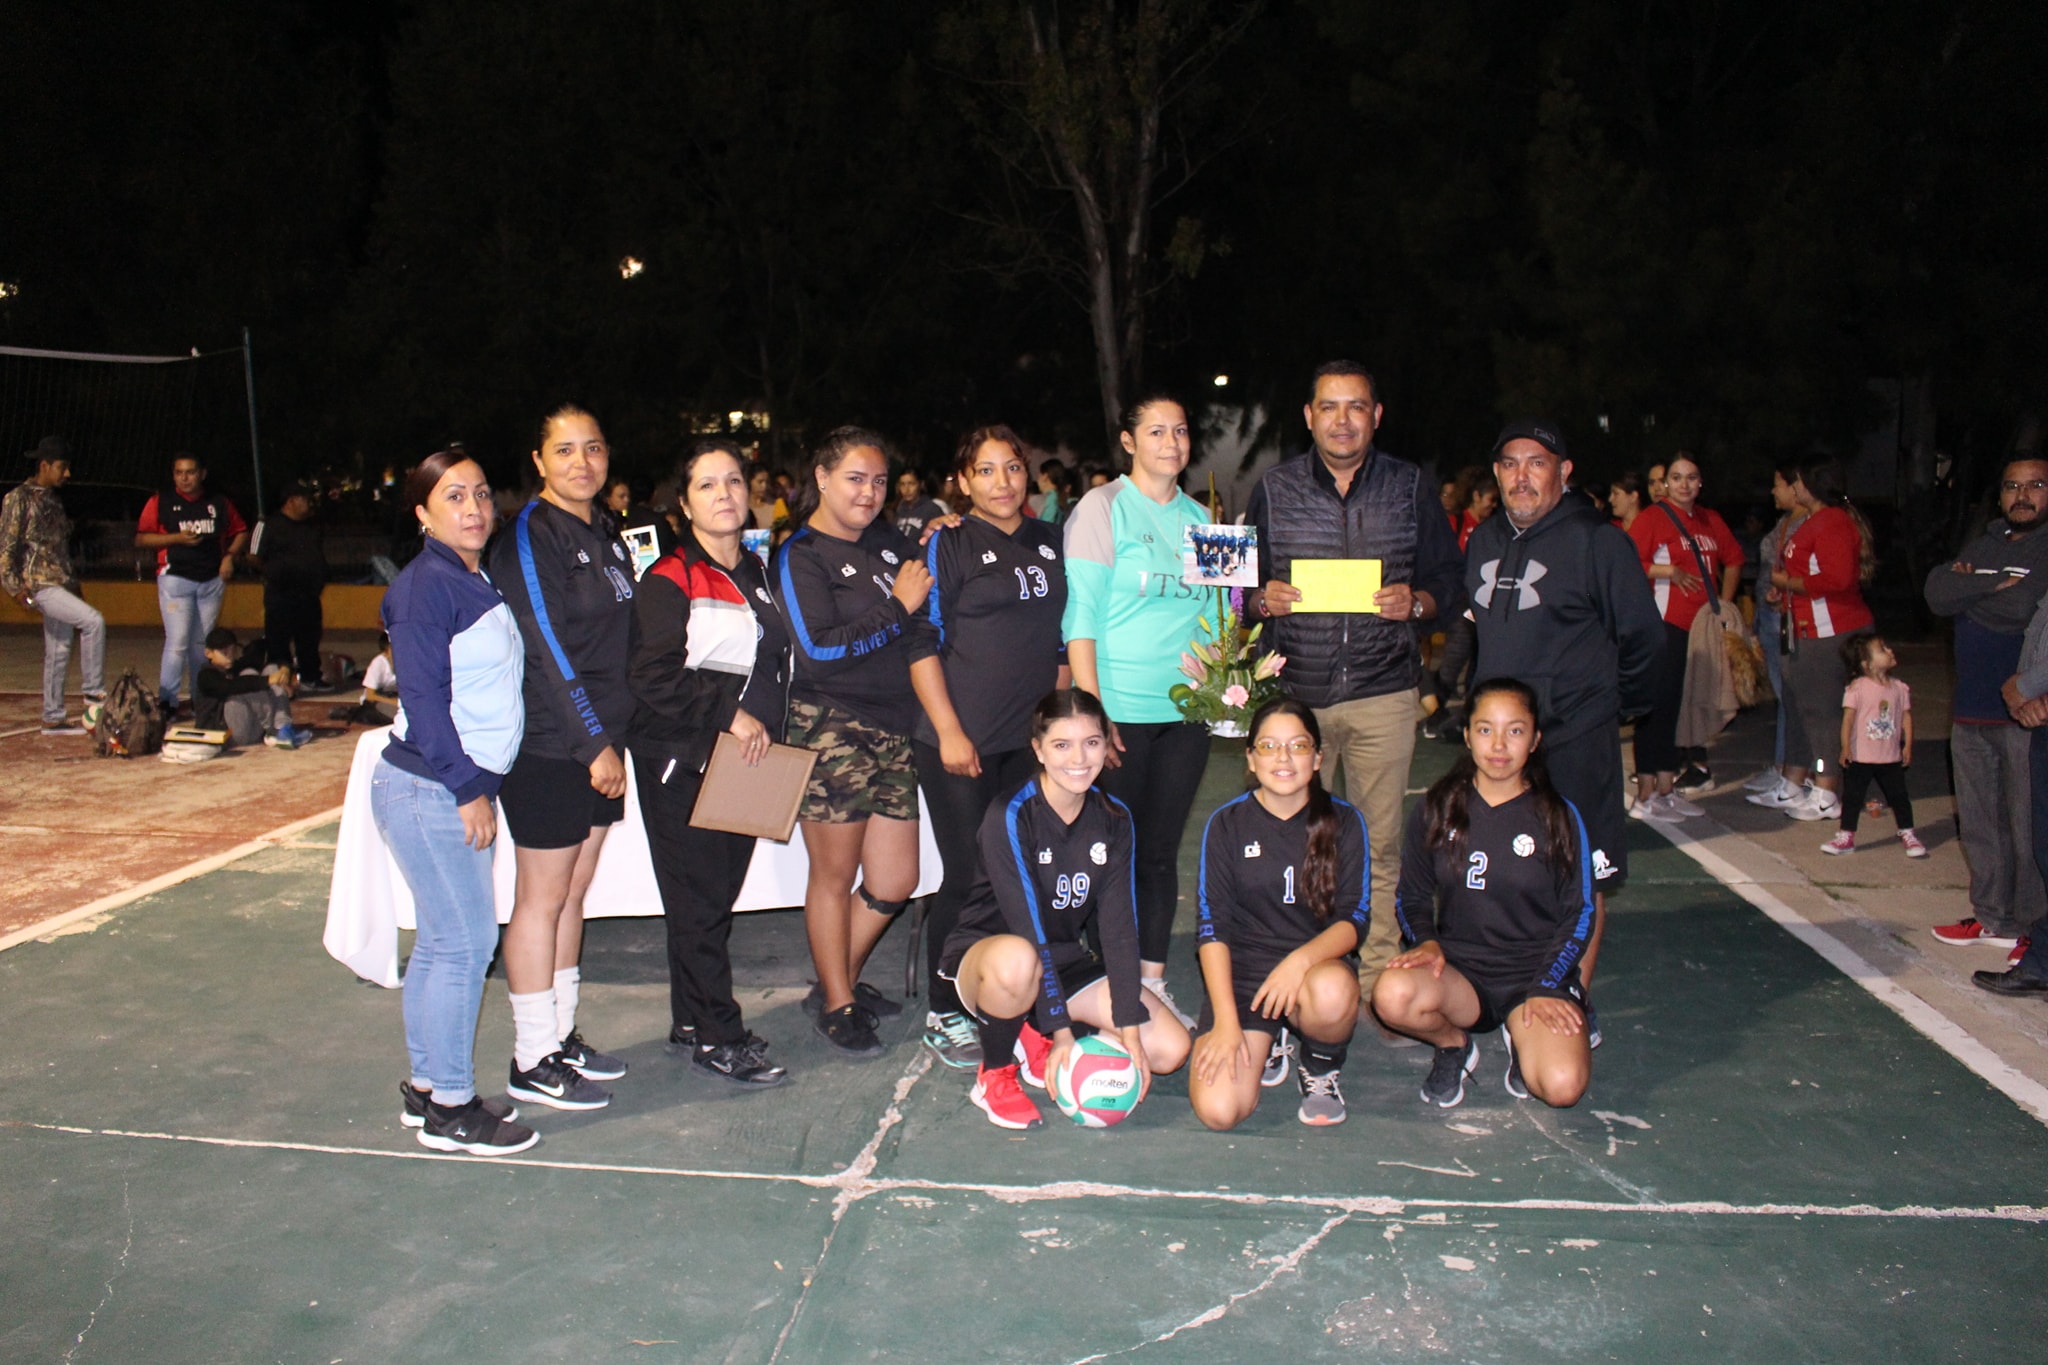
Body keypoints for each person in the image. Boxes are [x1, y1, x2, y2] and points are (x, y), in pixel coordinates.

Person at [1246, 362, 1464, 1006]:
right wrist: (1263, 601)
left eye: (1357, 407)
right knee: (1294, 839)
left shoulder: (1410, 486)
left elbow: (1448, 583)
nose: (1343, 420)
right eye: (1330, 407)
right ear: (1309, 416)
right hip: (1298, 698)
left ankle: (1372, 971)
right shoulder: (1274, 487)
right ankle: (1295, 963)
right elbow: (1232, 589)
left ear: (1377, 415)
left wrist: (1416, 603)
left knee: (1379, 841)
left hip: (1383, 692)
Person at [1465, 420, 1663, 1011]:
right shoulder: (1483, 541)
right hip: (1499, 747)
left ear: (1564, 470)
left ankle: (1568, 998)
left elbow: (1646, 641)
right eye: (1509, 464)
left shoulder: (1598, 541)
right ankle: (1512, 987)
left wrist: (1608, 707)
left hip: (1574, 739)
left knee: (1580, 878)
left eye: (1537, 462)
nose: (1521, 476)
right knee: (1501, 868)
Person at [373, 449, 537, 1155]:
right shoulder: (424, 589)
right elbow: (423, 699)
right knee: (466, 943)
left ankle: (427, 1086)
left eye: (479, 494)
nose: (472, 509)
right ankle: (450, 1107)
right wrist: (467, 787)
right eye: (452, 497)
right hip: (429, 787)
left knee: (445, 943)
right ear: (422, 512)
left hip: (443, 784)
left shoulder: (473, 578)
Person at [938, 688, 1191, 1130]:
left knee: (1169, 1051)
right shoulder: (1012, 815)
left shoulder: (1114, 818)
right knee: (1020, 960)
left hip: (1062, 961)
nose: (1079, 758)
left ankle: (1031, 1029)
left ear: (1108, 743)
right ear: (1037, 749)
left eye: (1092, 742)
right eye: (1061, 744)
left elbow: (1117, 930)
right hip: (991, 961)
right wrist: (1062, 1034)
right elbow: (1028, 929)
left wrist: (1129, 1031)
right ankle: (995, 1071)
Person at [629, 440, 793, 1086]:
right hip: (686, 760)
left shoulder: (757, 569)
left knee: (712, 903)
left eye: (733, 481)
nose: (724, 494)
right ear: (684, 502)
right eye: (707, 485)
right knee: (699, 902)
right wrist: (728, 713)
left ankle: (691, 1018)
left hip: (750, 762)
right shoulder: (669, 577)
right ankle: (721, 1035)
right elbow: (651, 675)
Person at [487, 404, 637, 1112]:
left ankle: (560, 1033)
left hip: (602, 740)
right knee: (540, 899)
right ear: (540, 461)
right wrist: (591, 743)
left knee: (574, 892)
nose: (583, 462)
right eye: (565, 450)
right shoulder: (528, 534)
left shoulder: (603, 534)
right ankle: (530, 1054)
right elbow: (543, 644)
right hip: (554, 744)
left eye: (594, 448)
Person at [909, 425, 1068, 1069]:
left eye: (1013, 469)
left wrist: (1061, 734)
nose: (1002, 483)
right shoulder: (944, 543)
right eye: (986, 471)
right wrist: (949, 729)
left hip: (1026, 745)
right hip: (960, 743)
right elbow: (919, 643)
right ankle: (945, 1008)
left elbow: (1059, 643)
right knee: (970, 873)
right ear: (963, 480)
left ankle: (1006, 991)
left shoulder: (1050, 541)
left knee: (1023, 870)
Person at [777, 426, 938, 1056]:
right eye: (854, 479)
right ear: (821, 478)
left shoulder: (890, 545)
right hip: (830, 727)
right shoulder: (801, 553)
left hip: (896, 728)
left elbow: (921, 620)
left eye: (878, 481)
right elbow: (818, 652)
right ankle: (839, 1000)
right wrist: (896, 610)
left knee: (896, 880)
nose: (869, 493)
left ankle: (831, 977)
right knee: (833, 875)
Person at [1064, 393, 1217, 1023]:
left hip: (1185, 717)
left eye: (1180, 431)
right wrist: (1093, 719)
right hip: (1118, 713)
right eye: (1156, 431)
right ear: (1129, 442)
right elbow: (1082, 618)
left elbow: (1219, 619)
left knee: (1158, 854)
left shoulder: (1207, 519)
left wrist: (1222, 685)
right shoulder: (1101, 508)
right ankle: (1107, 982)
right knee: (1112, 854)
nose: (1172, 442)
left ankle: (1152, 983)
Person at [1374, 678, 1594, 1109]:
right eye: (1485, 729)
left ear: (1535, 740)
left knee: (1562, 1087)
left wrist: (1549, 983)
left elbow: (1580, 912)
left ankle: (1526, 1033)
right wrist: (1427, 943)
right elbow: (1412, 893)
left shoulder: (1558, 816)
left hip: (1533, 975)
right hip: (1461, 976)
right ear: (1469, 735)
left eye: (1515, 730)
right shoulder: (1439, 806)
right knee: (1391, 994)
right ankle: (1454, 1045)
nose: (1499, 744)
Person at [1187, 699, 1369, 1131]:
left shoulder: (1344, 821)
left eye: (1298, 746)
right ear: (1250, 758)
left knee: (1331, 992)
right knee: (1219, 1111)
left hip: (1312, 970)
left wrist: (1299, 962)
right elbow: (1212, 928)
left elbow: (1355, 919)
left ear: (1318, 757)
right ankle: (1265, 1037)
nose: (1283, 758)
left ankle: (1320, 1065)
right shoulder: (1227, 823)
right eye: (1268, 746)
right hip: (1245, 975)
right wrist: (1227, 1024)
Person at [1923, 458, 2048, 950]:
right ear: (1999, 497)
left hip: (2024, 712)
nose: (2023, 495)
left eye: (2036, 485)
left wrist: (1968, 590)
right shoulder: (1987, 543)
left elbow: (2025, 607)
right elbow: (1935, 592)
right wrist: (1990, 585)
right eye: (2012, 486)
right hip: (1970, 708)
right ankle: (1993, 918)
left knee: (2028, 827)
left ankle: (2033, 931)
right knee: (1979, 824)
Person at [1753, 460, 1874, 823]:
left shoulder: (1834, 522)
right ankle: (1795, 781)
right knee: (1801, 708)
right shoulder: (1816, 520)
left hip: (1827, 629)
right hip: (1803, 626)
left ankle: (1825, 790)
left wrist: (1786, 584)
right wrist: (1783, 593)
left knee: (1821, 714)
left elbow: (1837, 580)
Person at [1626, 453, 1743, 815]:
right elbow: (1626, 563)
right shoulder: (1652, 518)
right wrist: (1668, 571)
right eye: (1676, 478)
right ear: (1664, 484)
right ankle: (1647, 792)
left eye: (1691, 477)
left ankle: (1666, 786)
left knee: (1680, 710)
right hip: (1665, 626)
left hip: (1700, 631)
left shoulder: (1709, 519)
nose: (1683, 484)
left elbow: (1735, 558)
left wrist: (1722, 604)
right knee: (1657, 708)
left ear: (1700, 482)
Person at [1, 436, 105, 736]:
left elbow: (58, 550)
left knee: (59, 648)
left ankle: (53, 716)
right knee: (93, 621)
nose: (67, 474)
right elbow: (7, 546)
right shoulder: (17, 498)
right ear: (44, 465)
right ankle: (94, 695)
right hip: (39, 583)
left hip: (60, 582)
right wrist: (15, 586)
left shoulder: (52, 499)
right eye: (62, 467)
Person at [136, 451, 249, 713]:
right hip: (176, 579)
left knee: (201, 646)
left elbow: (240, 531)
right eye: (179, 473)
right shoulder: (161, 501)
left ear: (202, 474)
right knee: (177, 642)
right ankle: (167, 701)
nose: (184, 478)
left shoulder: (218, 502)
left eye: (190, 472)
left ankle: (202, 698)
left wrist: (229, 557)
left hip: (210, 581)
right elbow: (142, 538)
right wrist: (176, 539)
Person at [1819, 633, 1924, 857]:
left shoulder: (1899, 688)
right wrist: (1845, 747)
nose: (1890, 651)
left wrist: (1907, 746)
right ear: (1866, 664)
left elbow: (1906, 718)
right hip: (1861, 757)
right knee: (1852, 797)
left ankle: (1908, 832)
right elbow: (1848, 719)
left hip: (1890, 757)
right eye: (1882, 649)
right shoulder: (1857, 688)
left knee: (1899, 797)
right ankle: (1846, 836)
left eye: (1887, 647)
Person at [1742, 467, 1811, 797]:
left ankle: (1796, 770)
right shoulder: (1785, 524)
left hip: (1786, 618)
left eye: (1778, 485)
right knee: (1786, 697)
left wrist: (1780, 593)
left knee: (1792, 697)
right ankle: (1784, 765)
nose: (1774, 492)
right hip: (1771, 616)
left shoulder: (1807, 525)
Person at [1420, 468, 1498, 737]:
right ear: (1476, 496)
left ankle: (1472, 712)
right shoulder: (1455, 523)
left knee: (1480, 655)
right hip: (1455, 603)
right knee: (1457, 651)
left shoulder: (1492, 530)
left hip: (1481, 605)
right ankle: (1436, 710)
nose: (1493, 505)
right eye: (1490, 499)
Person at [250, 481, 329, 690]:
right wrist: (272, 573)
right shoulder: (268, 524)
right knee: (278, 639)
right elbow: (253, 556)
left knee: (309, 638)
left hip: (309, 594)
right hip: (280, 594)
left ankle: (311, 677)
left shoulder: (312, 526)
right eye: (305, 500)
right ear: (292, 501)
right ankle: (281, 679)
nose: (310, 504)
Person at [194, 626, 308, 748]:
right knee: (247, 679)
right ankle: (275, 730)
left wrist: (284, 670)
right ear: (208, 653)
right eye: (224, 652)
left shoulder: (234, 666)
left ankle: (283, 727)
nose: (230, 656)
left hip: (250, 729)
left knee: (271, 669)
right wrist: (268, 681)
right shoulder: (206, 676)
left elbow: (265, 662)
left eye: (233, 651)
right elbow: (229, 687)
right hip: (225, 734)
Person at [890, 470, 948, 540]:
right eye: (903, 484)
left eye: (911, 484)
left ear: (920, 484)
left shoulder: (932, 509)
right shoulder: (900, 509)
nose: (906, 489)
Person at [360, 632, 398, 722]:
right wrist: (394, 702)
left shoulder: (406, 661)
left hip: (393, 695)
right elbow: (370, 696)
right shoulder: (378, 664)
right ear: (385, 651)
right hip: (376, 700)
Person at [1035, 459, 1074, 524]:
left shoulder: (1049, 499)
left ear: (1045, 476)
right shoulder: (1060, 497)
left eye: (1039, 475)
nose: (1037, 480)